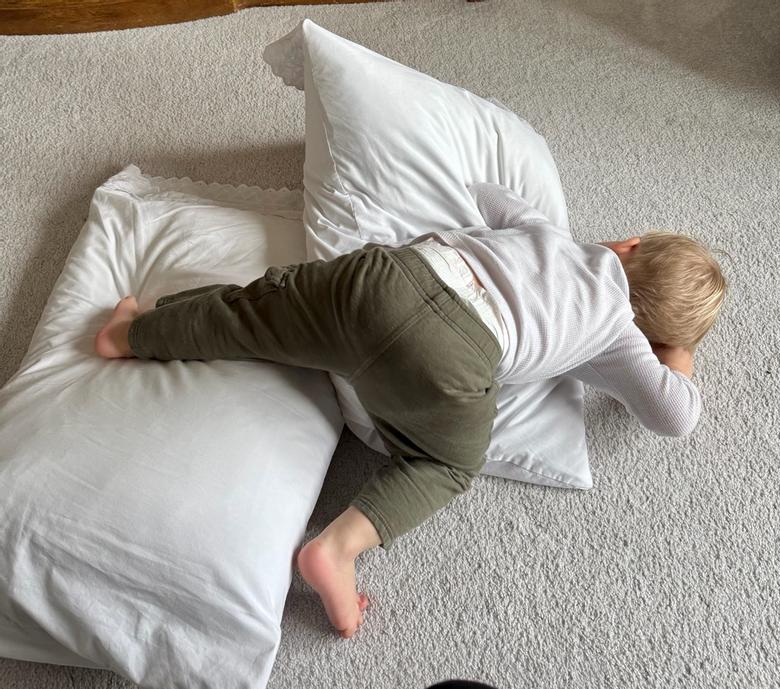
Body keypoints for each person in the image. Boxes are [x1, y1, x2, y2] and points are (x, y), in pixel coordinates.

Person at [94, 182, 727, 639]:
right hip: (453, 360)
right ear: (653, 337)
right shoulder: (619, 336)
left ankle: (132, 334)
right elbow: (677, 415)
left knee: (258, 311)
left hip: (386, 279)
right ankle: (336, 548)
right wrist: (677, 351)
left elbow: (491, 196)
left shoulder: (549, 234)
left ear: (628, 245)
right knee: (447, 464)